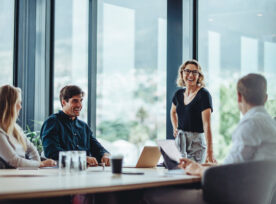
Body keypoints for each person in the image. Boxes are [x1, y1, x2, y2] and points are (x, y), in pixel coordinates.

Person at [143, 73, 276, 204]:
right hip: (253, 197)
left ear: (239, 97)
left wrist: (197, 169)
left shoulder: (250, 124)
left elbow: (228, 174)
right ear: (265, 98)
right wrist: (202, 166)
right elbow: (239, 165)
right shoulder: (270, 124)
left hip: (228, 197)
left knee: (151, 195)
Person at [40, 85, 110, 166]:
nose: (79, 105)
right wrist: (82, 158)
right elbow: (51, 152)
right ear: (64, 102)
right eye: (75, 101)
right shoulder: (52, 122)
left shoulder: (83, 126)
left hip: (85, 173)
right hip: (61, 173)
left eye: (81, 101)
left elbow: (97, 148)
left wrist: (105, 154)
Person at [0, 85, 56, 168]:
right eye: (18, 103)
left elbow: (31, 149)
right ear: (9, 106)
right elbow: (14, 161)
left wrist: (37, 166)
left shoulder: (15, 128)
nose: (20, 106)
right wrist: (41, 164)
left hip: (20, 174)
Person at [171, 59, 215, 163]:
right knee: (178, 174)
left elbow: (207, 125)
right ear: (182, 73)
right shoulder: (178, 94)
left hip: (197, 144)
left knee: (193, 176)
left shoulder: (204, 95)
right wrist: (175, 127)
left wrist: (210, 153)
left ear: (199, 76)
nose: (190, 75)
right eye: (187, 71)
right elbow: (172, 112)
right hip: (180, 141)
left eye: (195, 72)